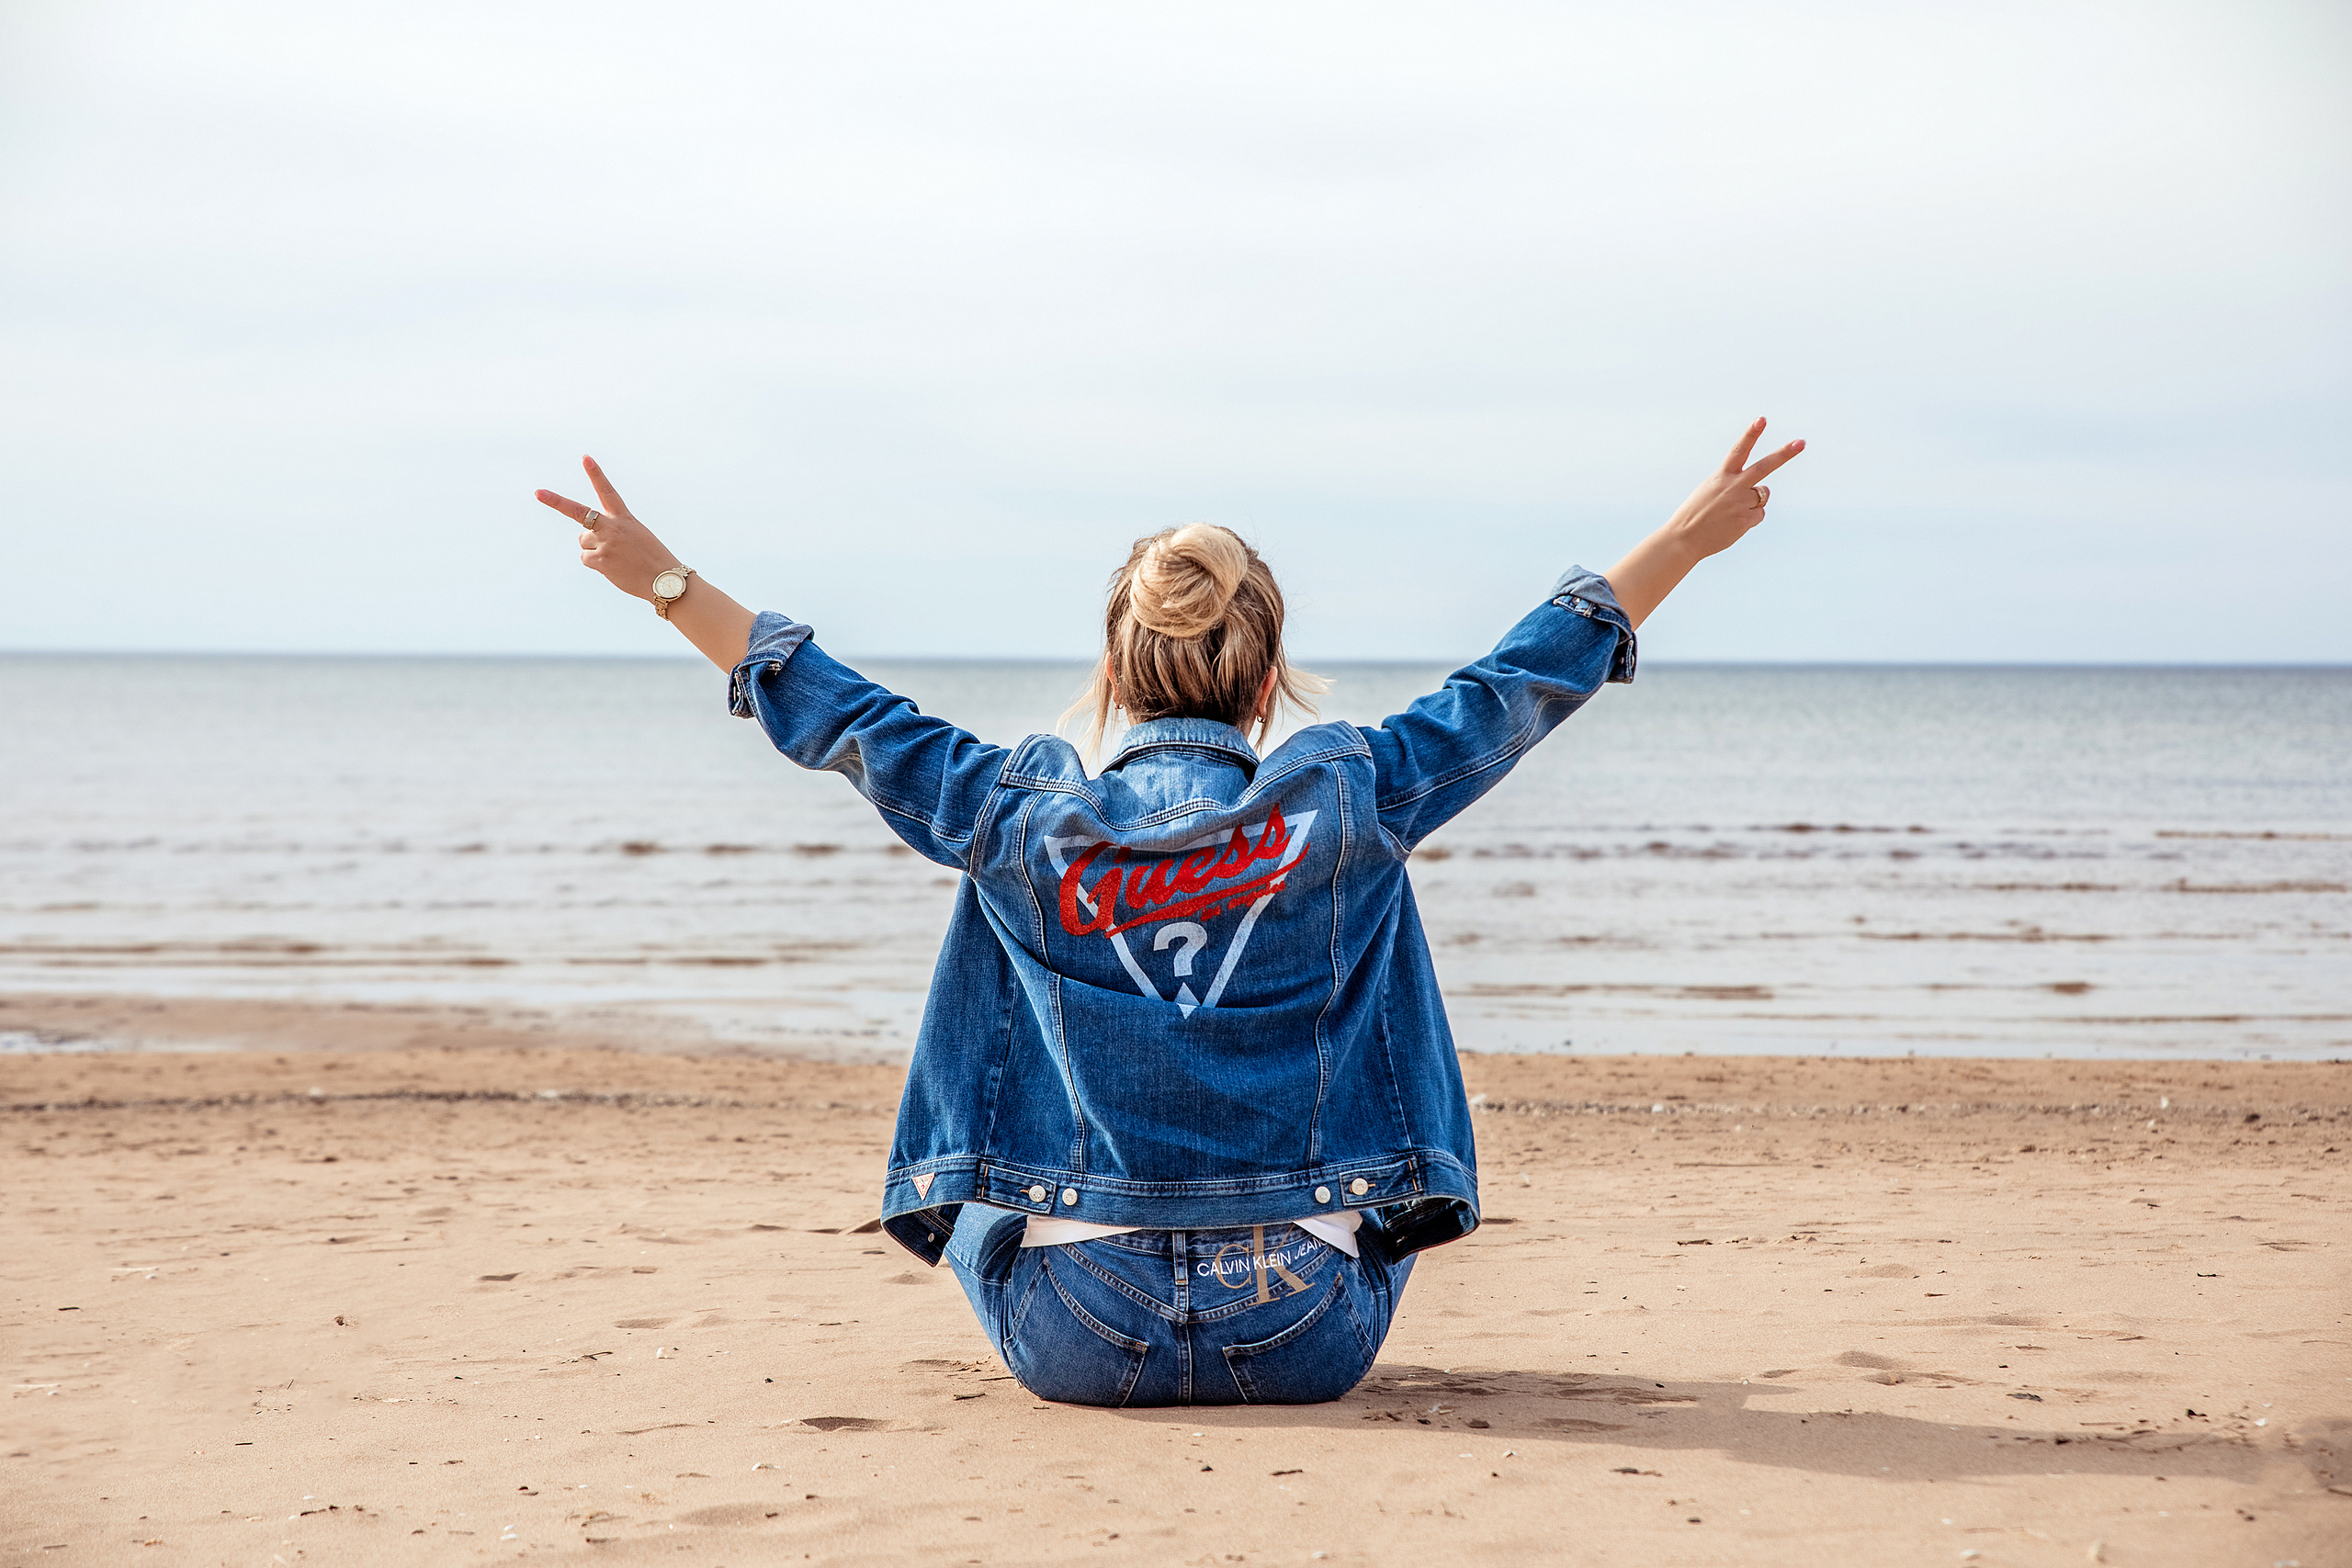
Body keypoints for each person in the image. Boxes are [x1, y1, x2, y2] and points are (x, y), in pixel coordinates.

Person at [534, 418, 1803, 1407]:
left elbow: (852, 722)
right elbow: (1515, 686)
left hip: (1073, 1336)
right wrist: (1684, 542)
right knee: (1369, 942)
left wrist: (665, 582)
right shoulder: (1349, 794)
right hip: (1310, 1329)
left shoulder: (1019, 814)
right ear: (1265, 677)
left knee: (992, 1003)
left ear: (1111, 670)